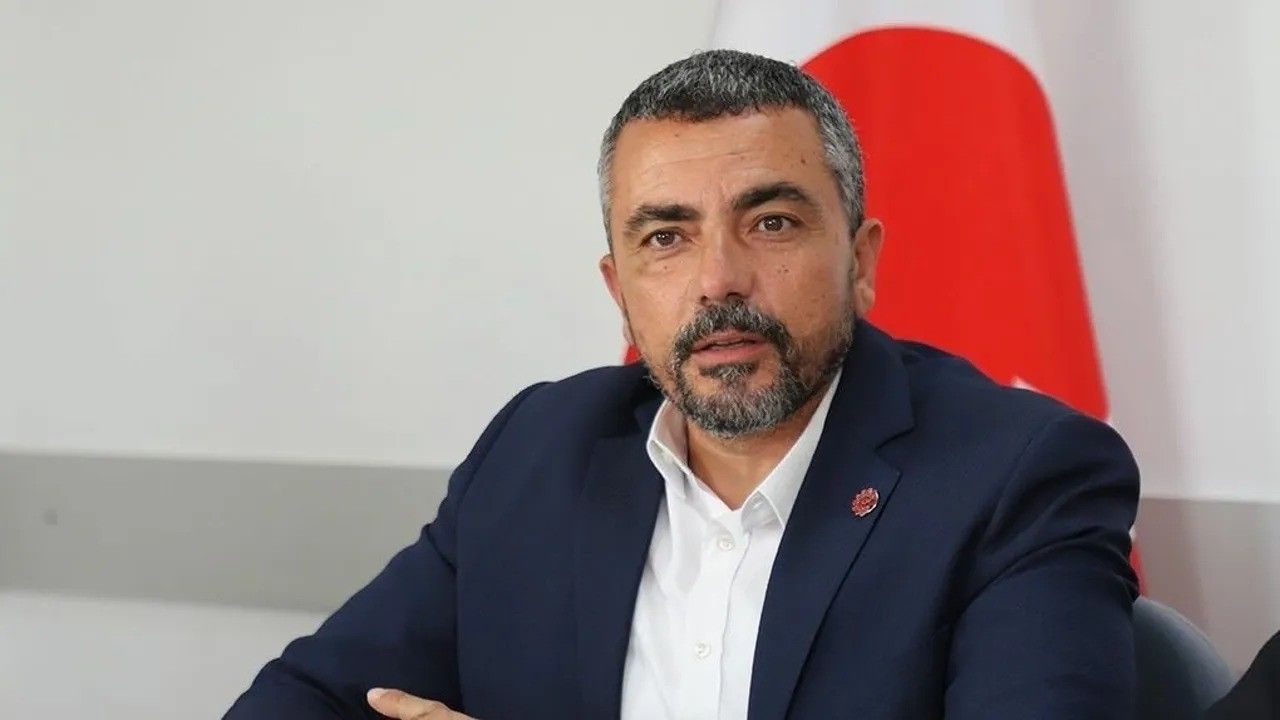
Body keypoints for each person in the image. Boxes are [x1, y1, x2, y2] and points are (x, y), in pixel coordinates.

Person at [225, 49, 1139, 720]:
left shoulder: (1017, 475)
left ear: (860, 264)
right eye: (666, 238)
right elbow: (302, 701)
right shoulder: (538, 450)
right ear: (619, 292)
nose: (718, 280)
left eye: (771, 223)